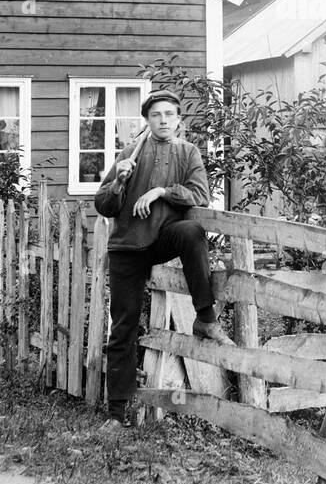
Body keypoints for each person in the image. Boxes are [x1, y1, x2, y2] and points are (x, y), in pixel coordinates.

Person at [94, 89, 231, 428]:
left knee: (192, 232)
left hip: (162, 239)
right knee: (123, 328)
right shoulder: (130, 154)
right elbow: (103, 206)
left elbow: (200, 196)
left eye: (169, 114)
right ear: (148, 121)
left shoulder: (188, 153)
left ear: (178, 120)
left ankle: (205, 318)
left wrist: (160, 192)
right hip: (127, 245)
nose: (163, 120)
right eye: (157, 115)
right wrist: (118, 183)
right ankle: (116, 413)